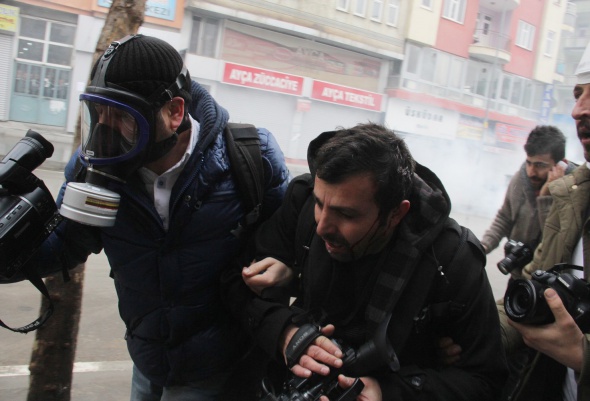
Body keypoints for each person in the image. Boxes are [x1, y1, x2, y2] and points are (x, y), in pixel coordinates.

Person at [2, 35, 290, 400]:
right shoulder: (93, 169)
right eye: (99, 113)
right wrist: (9, 250)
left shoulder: (250, 158)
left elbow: (293, 241)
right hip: (147, 360)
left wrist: (287, 266)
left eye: (123, 116)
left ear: (174, 112)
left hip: (219, 368)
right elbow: (65, 245)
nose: (105, 131)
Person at [224, 123, 508, 400]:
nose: (322, 226)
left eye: (346, 215)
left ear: (396, 214)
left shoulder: (452, 259)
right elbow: (232, 281)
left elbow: (485, 381)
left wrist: (391, 392)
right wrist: (284, 332)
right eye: (319, 203)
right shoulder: (302, 201)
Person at [498, 41, 590, 401]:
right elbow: (532, 290)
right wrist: (470, 331)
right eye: (578, 94)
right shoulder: (573, 197)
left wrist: (583, 356)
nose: (578, 110)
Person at [480, 125, 575, 270]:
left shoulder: (572, 191)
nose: (531, 172)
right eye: (529, 163)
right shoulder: (521, 179)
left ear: (562, 164)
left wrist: (546, 197)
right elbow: (505, 217)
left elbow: (555, 240)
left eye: (540, 165)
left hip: (546, 276)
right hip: (517, 271)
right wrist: (484, 245)